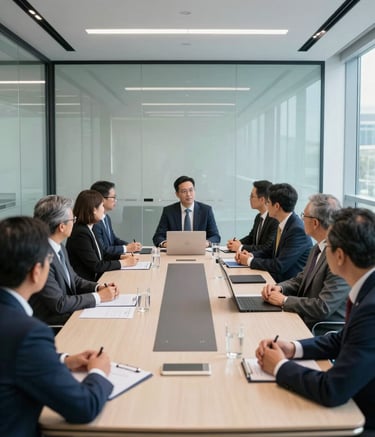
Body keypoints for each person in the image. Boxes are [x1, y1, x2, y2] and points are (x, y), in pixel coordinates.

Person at [256, 207, 375, 433]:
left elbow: (333, 389)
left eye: (328, 246)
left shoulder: (371, 308)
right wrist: (293, 348)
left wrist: (280, 366)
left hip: (360, 416)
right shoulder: (366, 289)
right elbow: (342, 340)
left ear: (339, 256)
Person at [0, 216, 113, 437]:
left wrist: (62, 359)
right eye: (48, 259)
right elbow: (83, 407)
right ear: (36, 271)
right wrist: (99, 371)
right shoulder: (29, 333)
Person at [261, 194, 350, 330]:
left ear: (315, 223)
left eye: (304, 216)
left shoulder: (339, 257)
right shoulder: (317, 247)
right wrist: (280, 287)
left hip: (321, 330)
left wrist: (284, 300)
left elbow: (323, 307)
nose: (301, 219)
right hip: (303, 318)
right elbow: (301, 278)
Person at [30, 195, 120, 326]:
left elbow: (74, 280)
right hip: (54, 324)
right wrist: (99, 297)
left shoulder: (58, 246)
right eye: (73, 219)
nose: (75, 222)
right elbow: (59, 304)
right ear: (61, 227)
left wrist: (98, 287)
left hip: (69, 314)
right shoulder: (41, 257)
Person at [235, 183, 312, 282]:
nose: (266, 206)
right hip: (274, 278)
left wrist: (249, 261)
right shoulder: (284, 223)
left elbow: (280, 265)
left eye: (268, 203)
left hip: (286, 285)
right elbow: (270, 251)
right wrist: (251, 255)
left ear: (276, 206)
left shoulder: (297, 230)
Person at [66, 190, 138, 281]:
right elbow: (96, 265)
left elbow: (102, 254)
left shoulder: (89, 227)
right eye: (101, 206)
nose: (103, 210)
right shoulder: (80, 233)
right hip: (86, 284)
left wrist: (121, 257)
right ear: (94, 210)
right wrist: (124, 263)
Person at [152, 175, 220, 248]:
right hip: (176, 251)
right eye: (184, 191)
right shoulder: (169, 211)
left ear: (195, 190)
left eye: (191, 190)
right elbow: (158, 236)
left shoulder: (206, 210)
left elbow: (215, 236)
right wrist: (166, 244)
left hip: (199, 252)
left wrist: (206, 243)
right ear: (177, 194)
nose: (188, 194)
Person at [90, 180, 142, 256]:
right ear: (102, 199)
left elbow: (113, 240)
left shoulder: (106, 218)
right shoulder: (94, 222)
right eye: (113, 197)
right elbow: (103, 250)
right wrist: (126, 248)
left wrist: (130, 246)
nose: (115, 200)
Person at [227, 180, 278, 252]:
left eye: (252, 196)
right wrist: (236, 243)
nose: (249, 199)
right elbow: (251, 238)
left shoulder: (275, 220)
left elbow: (267, 247)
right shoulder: (258, 217)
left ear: (262, 200)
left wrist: (240, 247)